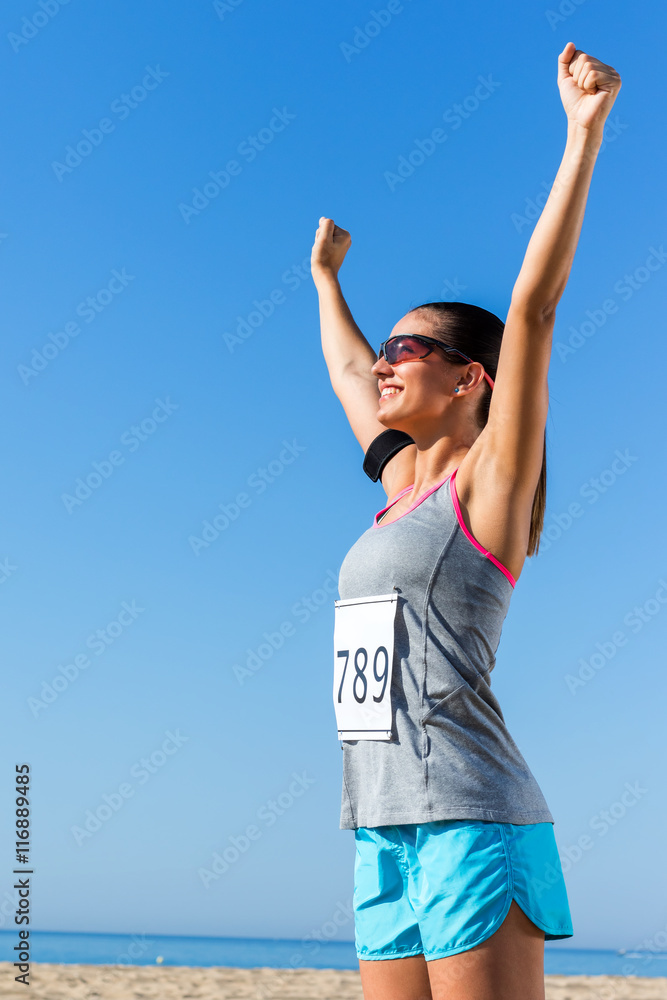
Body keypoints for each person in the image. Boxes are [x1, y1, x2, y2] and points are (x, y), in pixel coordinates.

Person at [310, 42, 621, 1000]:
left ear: (468, 379)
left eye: (407, 348)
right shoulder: (401, 481)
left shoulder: (487, 489)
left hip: (471, 817)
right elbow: (348, 374)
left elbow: (532, 312)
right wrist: (325, 280)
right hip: (379, 823)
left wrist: (580, 135)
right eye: (385, 348)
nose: (383, 362)